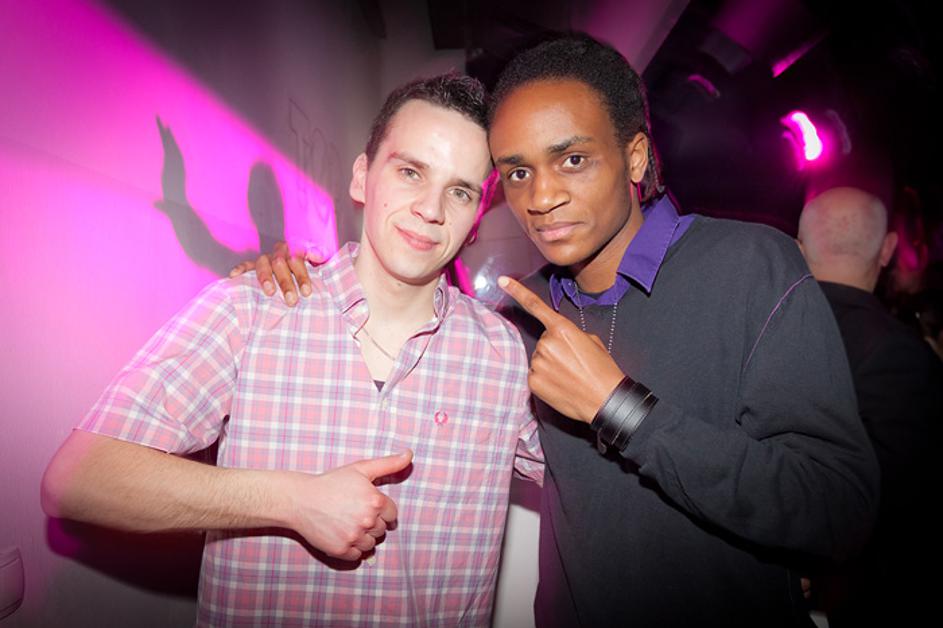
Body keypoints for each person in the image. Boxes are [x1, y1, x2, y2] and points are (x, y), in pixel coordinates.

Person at [242, 34, 879, 628]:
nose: (541, 196)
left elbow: (839, 508)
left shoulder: (747, 266)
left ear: (635, 156)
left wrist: (621, 407)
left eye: (572, 159)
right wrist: (290, 274)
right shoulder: (520, 319)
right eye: (517, 172)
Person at [41, 74, 543, 627]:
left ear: (476, 218)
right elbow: (77, 480)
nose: (430, 208)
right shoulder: (253, 311)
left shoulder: (504, 355)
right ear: (362, 176)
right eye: (410, 172)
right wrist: (292, 501)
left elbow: (602, 488)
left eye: (460, 191)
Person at [798, 186, 942, 627]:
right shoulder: (899, 355)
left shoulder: (759, 326)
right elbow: (900, 503)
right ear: (888, 249)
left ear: (799, 248)